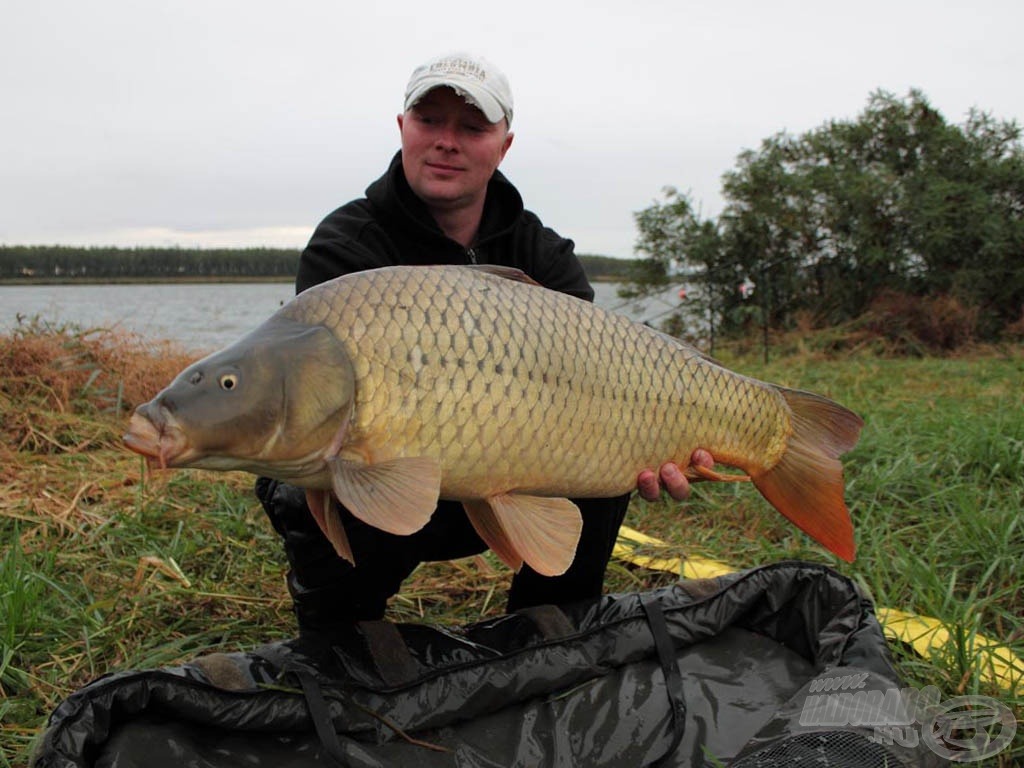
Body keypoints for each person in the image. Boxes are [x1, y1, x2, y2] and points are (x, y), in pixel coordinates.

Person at [256, 52, 712, 630]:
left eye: (472, 128)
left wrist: (662, 445)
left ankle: (549, 633)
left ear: (504, 146)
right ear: (402, 128)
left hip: (516, 473)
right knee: (311, 482)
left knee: (609, 454)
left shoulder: (541, 253)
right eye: (430, 122)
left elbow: (603, 380)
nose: (448, 142)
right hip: (388, 484)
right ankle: (344, 637)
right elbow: (312, 404)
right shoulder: (346, 248)